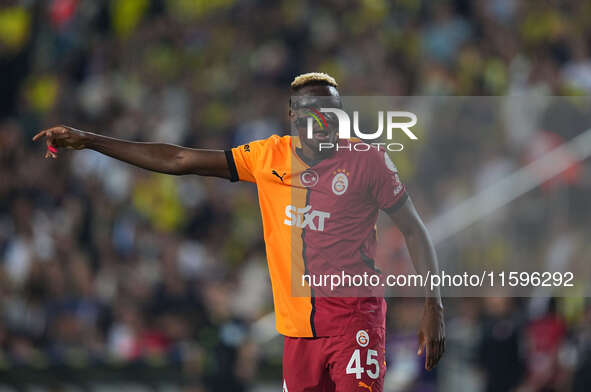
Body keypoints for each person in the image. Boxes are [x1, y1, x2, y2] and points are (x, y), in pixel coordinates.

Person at [33, 72, 445, 391]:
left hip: (355, 322)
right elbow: (178, 159)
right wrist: (89, 140)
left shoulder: (367, 161)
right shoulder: (268, 156)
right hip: (296, 333)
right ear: (292, 117)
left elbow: (413, 229)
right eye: (312, 116)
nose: (323, 125)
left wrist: (434, 306)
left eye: (332, 115)